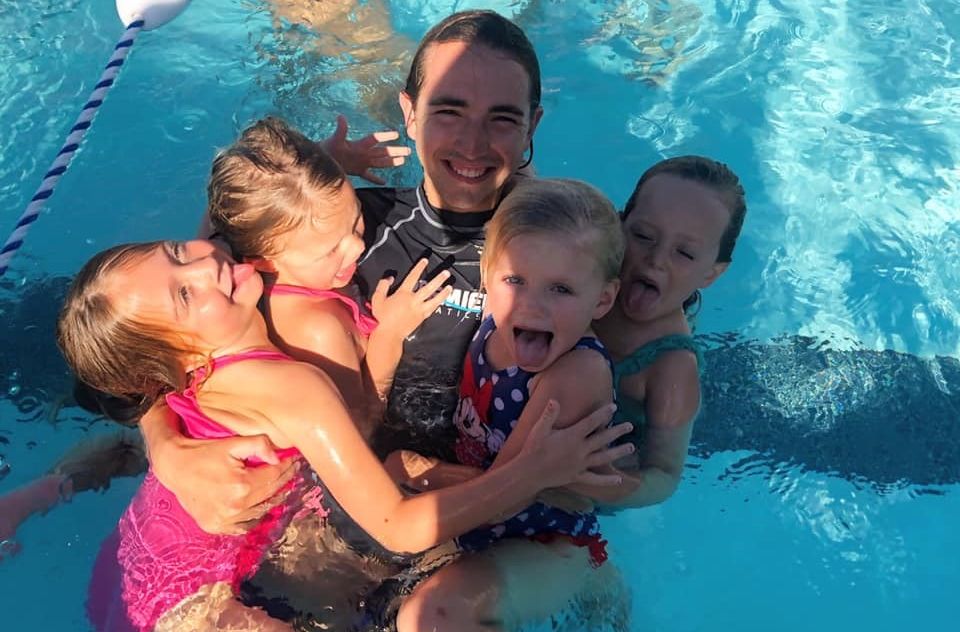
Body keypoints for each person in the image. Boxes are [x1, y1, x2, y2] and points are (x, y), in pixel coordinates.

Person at [57, 239, 632, 631]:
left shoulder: (192, 368)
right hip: (194, 608)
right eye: (183, 294)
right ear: (176, 358)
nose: (203, 266)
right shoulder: (291, 387)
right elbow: (398, 526)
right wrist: (533, 471)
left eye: (178, 252)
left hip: (131, 569)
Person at [143, 8, 547, 535]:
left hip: (468, 510)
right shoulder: (332, 231)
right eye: (449, 111)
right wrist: (165, 447)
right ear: (410, 113)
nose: (473, 144)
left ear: (532, 125)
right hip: (329, 508)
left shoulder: (563, 249)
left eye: (502, 119)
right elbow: (157, 338)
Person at [393, 177, 628, 631]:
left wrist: (416, 469)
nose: (531, 306)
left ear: (603, 299)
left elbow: (507, 497)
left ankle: (594, 581)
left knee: (435, 616)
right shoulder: (494, 315)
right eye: (515, 279)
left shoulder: (574, 374)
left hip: (547, 540)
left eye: (561, 289)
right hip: (484, 509)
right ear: (486, 276)